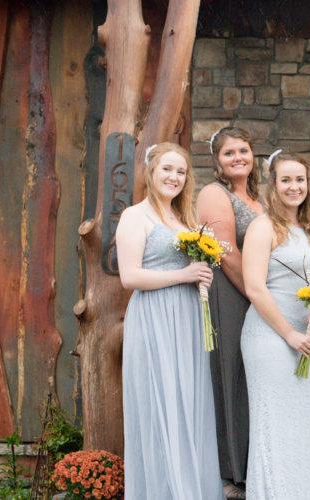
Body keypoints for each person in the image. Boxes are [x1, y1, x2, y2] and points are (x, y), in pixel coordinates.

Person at [116, 142, 223, 500]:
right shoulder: (135, 216)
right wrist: (185, 275)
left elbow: (191, 269)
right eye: (167, 169)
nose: (174, 177)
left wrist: (201, 275)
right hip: (154, 320)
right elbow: (130, 276)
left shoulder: (184, 220)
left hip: (187, 321)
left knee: (187, 404)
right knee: (159, 404)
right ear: (151, 171)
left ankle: (191, 489)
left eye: (181, 171)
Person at [241, 151, 310, 499]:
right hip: (270, 336)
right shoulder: (263, 227)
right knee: (273, 423)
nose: (294, 187)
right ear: (273, 185)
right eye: (286, 180)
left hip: (307, 338)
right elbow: (255, 288)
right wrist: (289, 333)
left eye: (300, 180)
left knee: (299, 423)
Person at [196, 126, 262, 499]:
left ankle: (254, 466)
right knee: (231, 375)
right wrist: (257, 295)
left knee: (253, 378)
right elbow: (225, 251)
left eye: (243, 150)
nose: (238, 157)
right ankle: (230, 474)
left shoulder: (259, 197)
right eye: (229, 153)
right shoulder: (214, 193)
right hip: (230, 292)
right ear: (217, 161)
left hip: (257, 294)